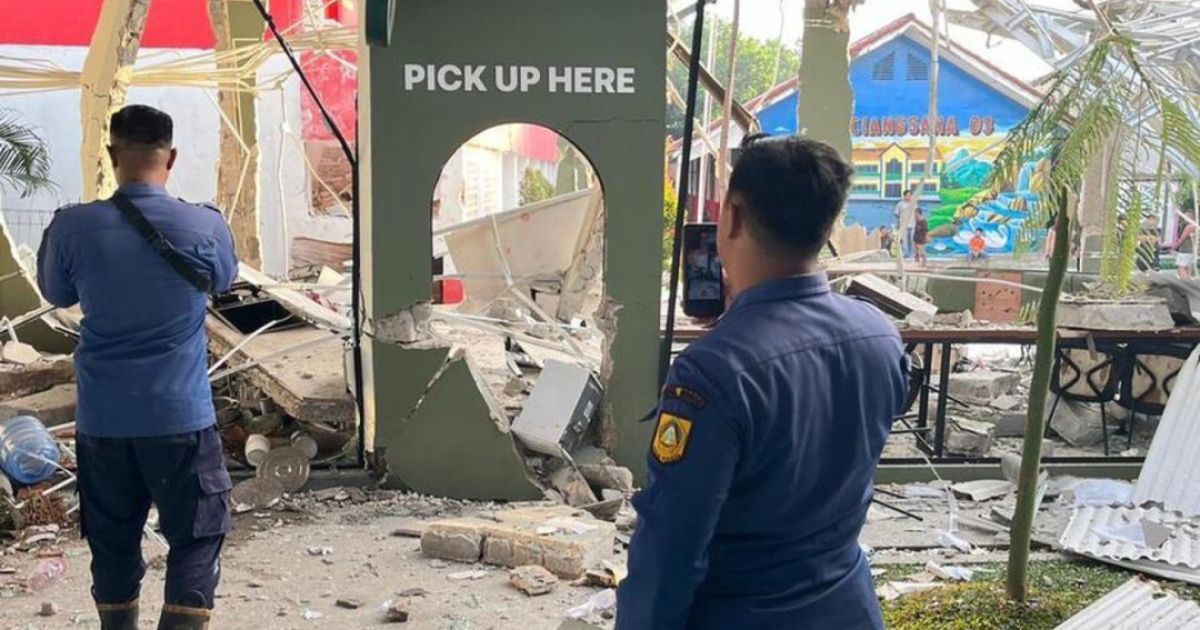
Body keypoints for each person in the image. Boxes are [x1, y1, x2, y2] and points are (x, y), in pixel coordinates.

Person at [617, 135, 907, 630]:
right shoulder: (878, 333)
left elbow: (669, 552)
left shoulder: (709, 373)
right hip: (848, 609)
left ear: (731, 216)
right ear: (828, 225)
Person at [37, 105, 238, 630]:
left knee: (112, 543)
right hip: (181, 418)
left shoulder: (71, 227)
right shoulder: (205, 225)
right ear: (171, 158)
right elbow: (223, 281)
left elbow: (57, 293)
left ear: (112, 155)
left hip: (103, 421)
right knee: (196, 537)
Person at [893, 188, 917, 258]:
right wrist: (898, 223)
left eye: (910, 195)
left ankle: (912, 254)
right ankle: (905, 253)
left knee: (912, 239)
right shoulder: (900, 204)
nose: (909, 197)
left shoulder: (914, 204)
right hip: (903, 225)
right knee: (904, 240)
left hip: (913, 224)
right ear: (904, 196)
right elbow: (896, 214)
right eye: (907, 195)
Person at [1174, 212, 1196, 280]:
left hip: (1185, 250)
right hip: (1192, 250)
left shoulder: (1189, 227)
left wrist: (1174, 246)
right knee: (1188, 267)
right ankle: (1189, 281)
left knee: (1181, 267)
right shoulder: (1196, 226)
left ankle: (1185, 281)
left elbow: (1182, 239)